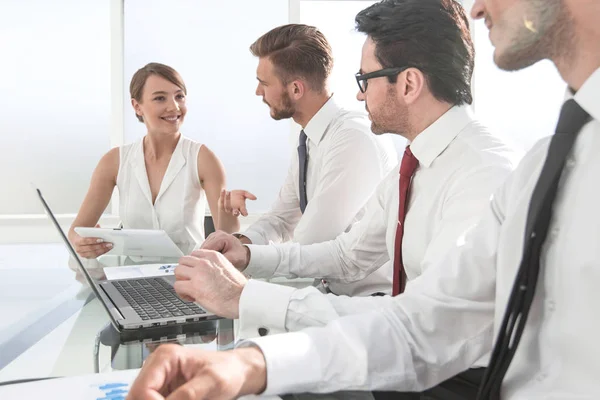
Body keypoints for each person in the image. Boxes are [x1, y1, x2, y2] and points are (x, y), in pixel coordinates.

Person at [127, 0, 600, 398]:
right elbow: (405, 302)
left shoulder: (488, 169)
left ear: (409, 84)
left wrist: (248, 297)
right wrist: (252, 358)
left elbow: (433, 329)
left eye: (366, 79)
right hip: (398, 347)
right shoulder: (538, 161)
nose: (479, 7)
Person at [219, 23, 398, 296]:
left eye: (264, 83)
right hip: (326, 294)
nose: (258, 92)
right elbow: (281, 219)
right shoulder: (310, 138)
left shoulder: (352, 138)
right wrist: (234, 244)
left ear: (296, 89)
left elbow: (310, 242)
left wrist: (243, 257)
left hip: (363, 304)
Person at [68, 63, 243, 258]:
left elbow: (228, 239)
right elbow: (76, 231)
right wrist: (82, 243)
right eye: (160, 98)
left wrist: (230, 211)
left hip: (190, 274)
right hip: (132, 277)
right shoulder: (114, 161)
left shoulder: (203, 158)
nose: (174, 107)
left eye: (179, 96)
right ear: (137, 106)